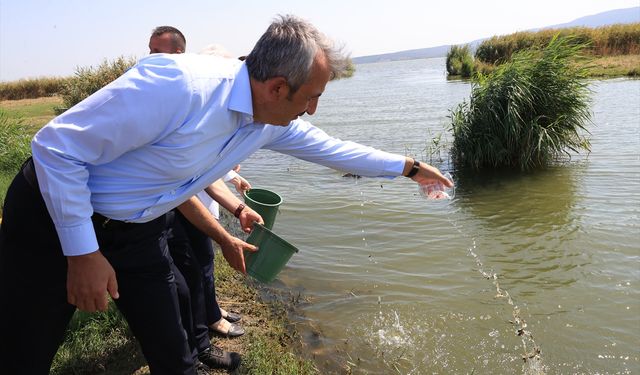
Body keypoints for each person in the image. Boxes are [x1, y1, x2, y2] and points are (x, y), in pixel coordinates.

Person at [0, 14, 452, 375]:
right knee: (28, 350)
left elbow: (334, 150)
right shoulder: (179, 87)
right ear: (277, 88)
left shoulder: (268, 122)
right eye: (311, 97)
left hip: (137, 231)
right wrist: (82, 253)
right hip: (50, 217)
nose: (313, 110)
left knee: (174, 353)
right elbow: (55, 149)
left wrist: (410, 168)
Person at [148, 27, 248, 371]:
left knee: (191, 276)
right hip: (152, 220)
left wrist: (237, 203)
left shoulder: (203, 111)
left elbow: (204, 175)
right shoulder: (167, 109)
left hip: (176, 211)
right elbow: (190, 182)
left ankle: (200, 339)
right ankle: (196, 345)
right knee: (181, 284)